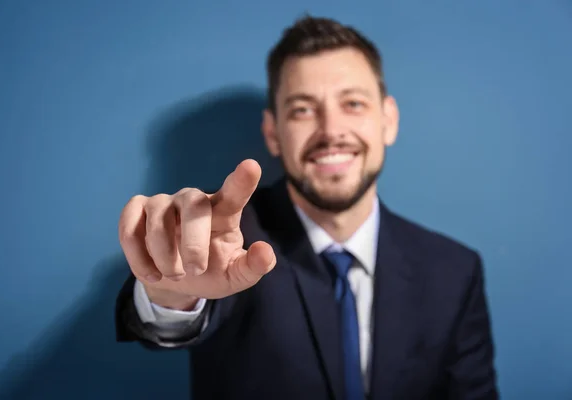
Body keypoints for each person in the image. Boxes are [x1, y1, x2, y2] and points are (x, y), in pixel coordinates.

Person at [115, 15, 499, 400]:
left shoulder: (455, 273)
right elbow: (168, 315)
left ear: (388, 120)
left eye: (353, 103)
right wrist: (171, 294)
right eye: (302, 109)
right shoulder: (223, 241)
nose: (331, 131)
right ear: (273, 133)